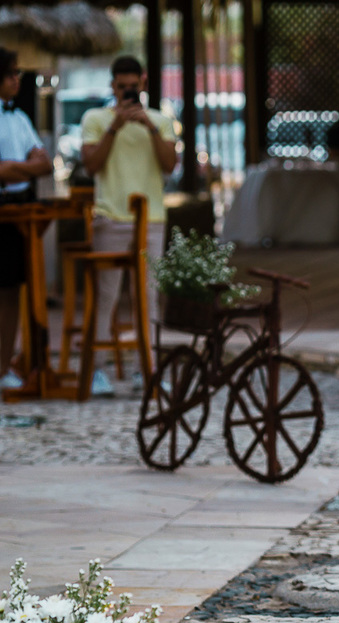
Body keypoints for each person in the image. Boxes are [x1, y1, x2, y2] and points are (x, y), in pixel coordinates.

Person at [80, 55, 177, 394]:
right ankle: (98, 370)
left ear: (144, 84)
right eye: (121, 88)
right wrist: (115, 126)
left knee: (148, 296)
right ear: (112, 86)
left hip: (151, 218)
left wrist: (147, 125)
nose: (127, 94)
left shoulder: (161, 121)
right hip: (111, 216)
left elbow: (170, 164)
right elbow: (90, 165)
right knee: (106, 294)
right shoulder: (95, 118)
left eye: (132, 88)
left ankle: (146, 370)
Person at [0, 48, 51, 390]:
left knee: (11, 289)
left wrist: (12, 170)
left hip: (20, 206)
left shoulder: (18, 118)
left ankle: (4, 365)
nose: (17, 80)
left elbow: (44, 163)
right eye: (11, 74)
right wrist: (22, 169)